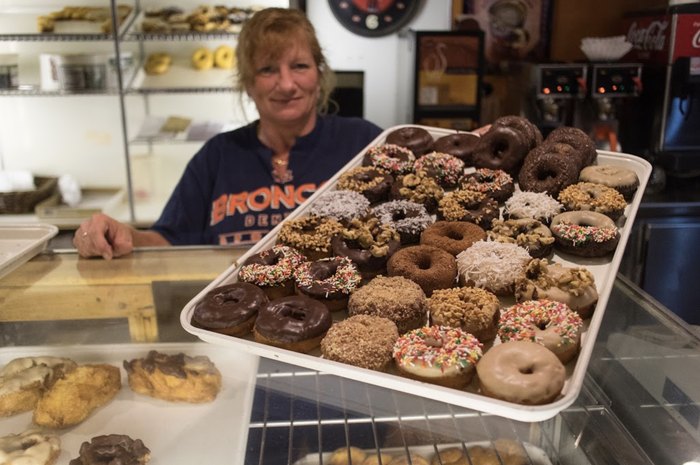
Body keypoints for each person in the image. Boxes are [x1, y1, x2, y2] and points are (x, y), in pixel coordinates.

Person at [73, 7, 383, 259]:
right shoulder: (218, 154)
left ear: (319, 73)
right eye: (268, 70)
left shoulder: (362, 143)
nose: (287, 84)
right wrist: (122, 234)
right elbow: (172, 239)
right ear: (248, 84)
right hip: (227, 315)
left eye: (299, 65)